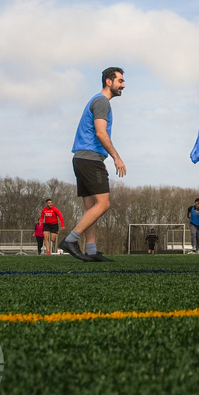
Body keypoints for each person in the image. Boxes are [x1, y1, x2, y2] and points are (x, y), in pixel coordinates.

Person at [60, 67, 127, 262]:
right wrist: (116, 156)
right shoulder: (101, 102)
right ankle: (71, 240)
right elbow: (100, 132)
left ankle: (91, 250)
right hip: (90, 160)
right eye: (120, 81)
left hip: (81, 159)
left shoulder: (96, 100)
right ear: (109, 81)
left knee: (91, 208)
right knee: (104, 204)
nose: (123, 85)